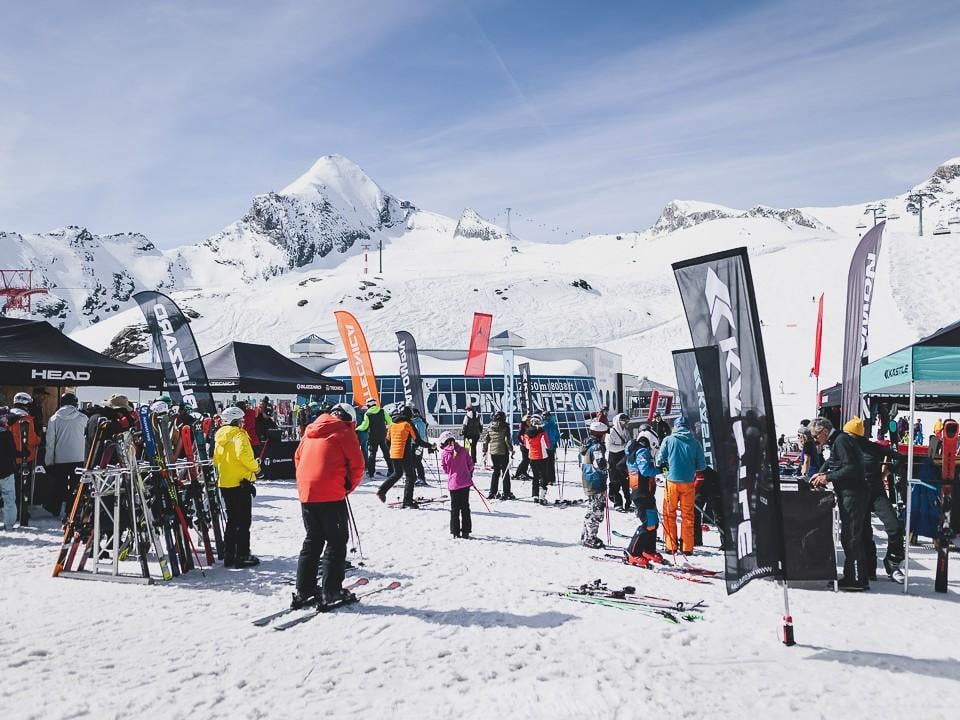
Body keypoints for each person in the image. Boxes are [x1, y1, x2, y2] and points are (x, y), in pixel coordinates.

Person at [291, 402, 364, 608]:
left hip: (308, 494)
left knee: (313, 540)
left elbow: (297, 458)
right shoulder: (344, 431)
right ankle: (331, 592)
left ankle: (304, 590)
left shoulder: (310, 431)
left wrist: (306, 483)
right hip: (331, 494)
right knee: (336, 541)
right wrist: (346, 487)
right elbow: (358, 466)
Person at [810, 417, 869, 591]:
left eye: (816, 436)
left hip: (853, 493)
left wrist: (827, 477)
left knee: (851, 536)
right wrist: (821, 474)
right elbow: (835, 463)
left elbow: (851, 468)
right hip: (851, 493)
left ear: (825, 431)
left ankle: (855, 579)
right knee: (853, 536)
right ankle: (858, 577)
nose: (815, 440)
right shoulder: (839, 440)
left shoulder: (841, 441)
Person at [848, 418, 905, 580]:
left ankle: (892, 562)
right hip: (859, 495)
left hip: (877, 493)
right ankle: (869, 568)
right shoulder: (846, 448)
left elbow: (899, 457)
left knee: (895, 527)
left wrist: (886, 472)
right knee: (865, 533)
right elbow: (832, 465)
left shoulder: (872, 447)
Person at [214, 405, 261, 568]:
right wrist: (256, 467)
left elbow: (216, 460)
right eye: (241, 420)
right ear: (235, 421)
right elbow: (243, 455)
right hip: (240, 483)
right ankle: (242, 554)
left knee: (232, 519)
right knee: (243, 521)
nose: (243, 423)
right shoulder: (239, 435)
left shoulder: (219, 437)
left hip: (225, 483)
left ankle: (229, 555)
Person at [656, 415, 705, 556]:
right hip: (688, 483)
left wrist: (667, 468)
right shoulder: (695, 443)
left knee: (669, 514)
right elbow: (701, 466)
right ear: (688, 428)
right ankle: (687, 547)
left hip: (671, 482)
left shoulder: (668, 440)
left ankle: (671, 546)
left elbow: (659, 460)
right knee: (688, 515)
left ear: (675, 427)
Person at [376, 404, 434, 508]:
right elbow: (418, 441)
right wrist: (430, 446)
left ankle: (382, 490)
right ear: (409, 415)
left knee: (397, 474)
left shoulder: (392, 425)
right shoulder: (408, 424)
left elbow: (387, 441)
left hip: (394, 454)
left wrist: (391, 450)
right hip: (404, 453)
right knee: (411, 476)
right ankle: (407, 501)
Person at [43, 392, 88, 520]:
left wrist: (49, 461)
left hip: (60, 458)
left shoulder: (54, 419)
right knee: (76, 485)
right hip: (79, 457)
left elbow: (50, 442)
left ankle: (54, 508)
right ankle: (72, 509)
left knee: (59, 484)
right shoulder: (83, 418)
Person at [623, 434, 662, 566]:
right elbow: (645, 470)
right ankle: (632, 552)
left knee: (653, 522)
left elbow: (620, 465)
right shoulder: (641, 451)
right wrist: (660, 469)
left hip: (643, 492)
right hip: (642, 493)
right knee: (648, 523)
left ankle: (648, 550)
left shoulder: (633, 452)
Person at [439, 431, 474, 538]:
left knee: (455, 508)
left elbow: (445, 469)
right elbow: (471, 465)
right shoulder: (463, 450)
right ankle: (466, 531)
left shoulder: (445, 453)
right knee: (465, 507)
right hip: (465, 482)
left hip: (454, 484)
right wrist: (466, 471)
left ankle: (455, 531)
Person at [579, 421, 609, 548]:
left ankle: (586, 535)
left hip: (589, 478)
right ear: (599, 434)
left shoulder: (587, 444)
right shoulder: (596, 447)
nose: (605, 437)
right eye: (604, 434)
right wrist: (608, 466)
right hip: (596, 480)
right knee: (597, 510)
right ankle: (590, 538)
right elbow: (600, 463)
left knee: (592, 508)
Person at [481, 410, 515, 500]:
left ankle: (492, 492)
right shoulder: (505, 427)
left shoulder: (490, 426)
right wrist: (511, 450)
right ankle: (506, 492)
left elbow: (486, 440)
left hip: (493, 452)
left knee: (496, 472)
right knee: (505, 472)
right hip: (503, 451)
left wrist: (484, 450)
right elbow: (507, 440)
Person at [357, 398, 392, 478]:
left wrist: (357, 428)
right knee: (386, 453)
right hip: (383, 435)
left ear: (368, 405)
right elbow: (390, 421)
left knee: (372, 454)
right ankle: (391, 470)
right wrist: (385, 426)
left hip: (373, 436)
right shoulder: (382, 411)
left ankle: (371, 473)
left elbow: (364, 426)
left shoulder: (367, 414)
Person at [605, 413, 632, 511]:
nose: (626, 424)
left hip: (624, 457)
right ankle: (617, 503)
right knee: (615, 481)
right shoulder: (611, 432)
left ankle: (628, 503)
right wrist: (623, 447)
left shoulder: (626, 432)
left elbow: (629, 442)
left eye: (627, 422)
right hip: (614, 458)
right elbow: (609, 447)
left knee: (626, 481)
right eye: (624, 422)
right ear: (618, 422)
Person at [522, 414, 552, 504]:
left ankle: (535, 495)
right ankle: (542, 496)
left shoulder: (527, 433)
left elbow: (527, 446)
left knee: (535, 476)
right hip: (542, 456)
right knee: (543, 476)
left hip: (532, 457)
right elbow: (547, 445)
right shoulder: (542, 432)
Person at [0, 411, 18, 530]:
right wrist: (23, 453)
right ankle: (9, 525)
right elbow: (12, 452)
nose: (7, 421)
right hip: (6, 470)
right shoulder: (7, 434)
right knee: (9, 498)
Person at [543, 410, 561, 487]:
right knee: (551, 463)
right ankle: (551, 479)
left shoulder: (544, 426)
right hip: (551, 447)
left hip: (546, 447)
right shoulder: (553, 424)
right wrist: (554, 442)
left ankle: (547, 479)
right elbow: (558, 436)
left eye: (545, 416)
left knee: (546, 463)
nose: (545, 417)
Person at [411, 407, 429, 486]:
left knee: (417, 462)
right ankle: (415, 478)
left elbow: (421, 436)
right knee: (414, 462)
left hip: (417, 444)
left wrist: (419, 445)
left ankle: (421, 478)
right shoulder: (416, 422)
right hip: (415, 444)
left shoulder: (418, 423)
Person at [514, 414, 531, 480]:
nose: (529, 422)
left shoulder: (528, 426)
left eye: (530, 420)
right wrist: (522, 442)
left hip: (528, 445)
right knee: (525, 459)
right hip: (524, 446)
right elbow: (518, 435)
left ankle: (524, 472)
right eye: (528, 420)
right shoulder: (523, 427)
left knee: (528, 460)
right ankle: (518, 473)